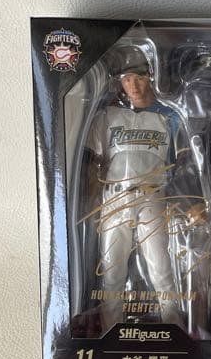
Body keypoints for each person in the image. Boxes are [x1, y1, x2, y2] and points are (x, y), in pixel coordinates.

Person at [84, 49, 201, 332]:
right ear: (119, 83)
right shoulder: (107, 116)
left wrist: (193, 202)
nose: (133, 85)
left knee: (161, 269)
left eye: (139, 77)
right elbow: (90, 162)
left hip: (152, 196)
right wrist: (88, 199)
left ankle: (174, 329)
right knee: (112, 273)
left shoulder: (169, 116)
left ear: (151, 77)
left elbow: (185, 165)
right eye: (127, 79)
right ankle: (111, 333)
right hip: (115, 196)